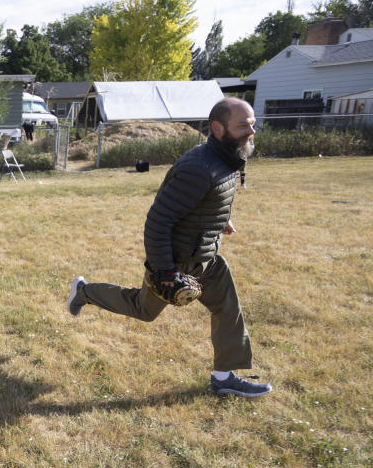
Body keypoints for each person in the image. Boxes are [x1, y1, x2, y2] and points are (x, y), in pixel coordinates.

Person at [66, 97, 272, 398]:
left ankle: (224, 376)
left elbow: (213, 198)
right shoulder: (198, 168)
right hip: (176, 261)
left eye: (252, 123)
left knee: (227, 308)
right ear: (218, 128)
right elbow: (158, 222)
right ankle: (84, 291)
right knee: (143, 310)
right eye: (243, 125)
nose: (251, 131)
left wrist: (219, 221)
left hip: (206, 258)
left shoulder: (228, 158)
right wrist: (164, 271)